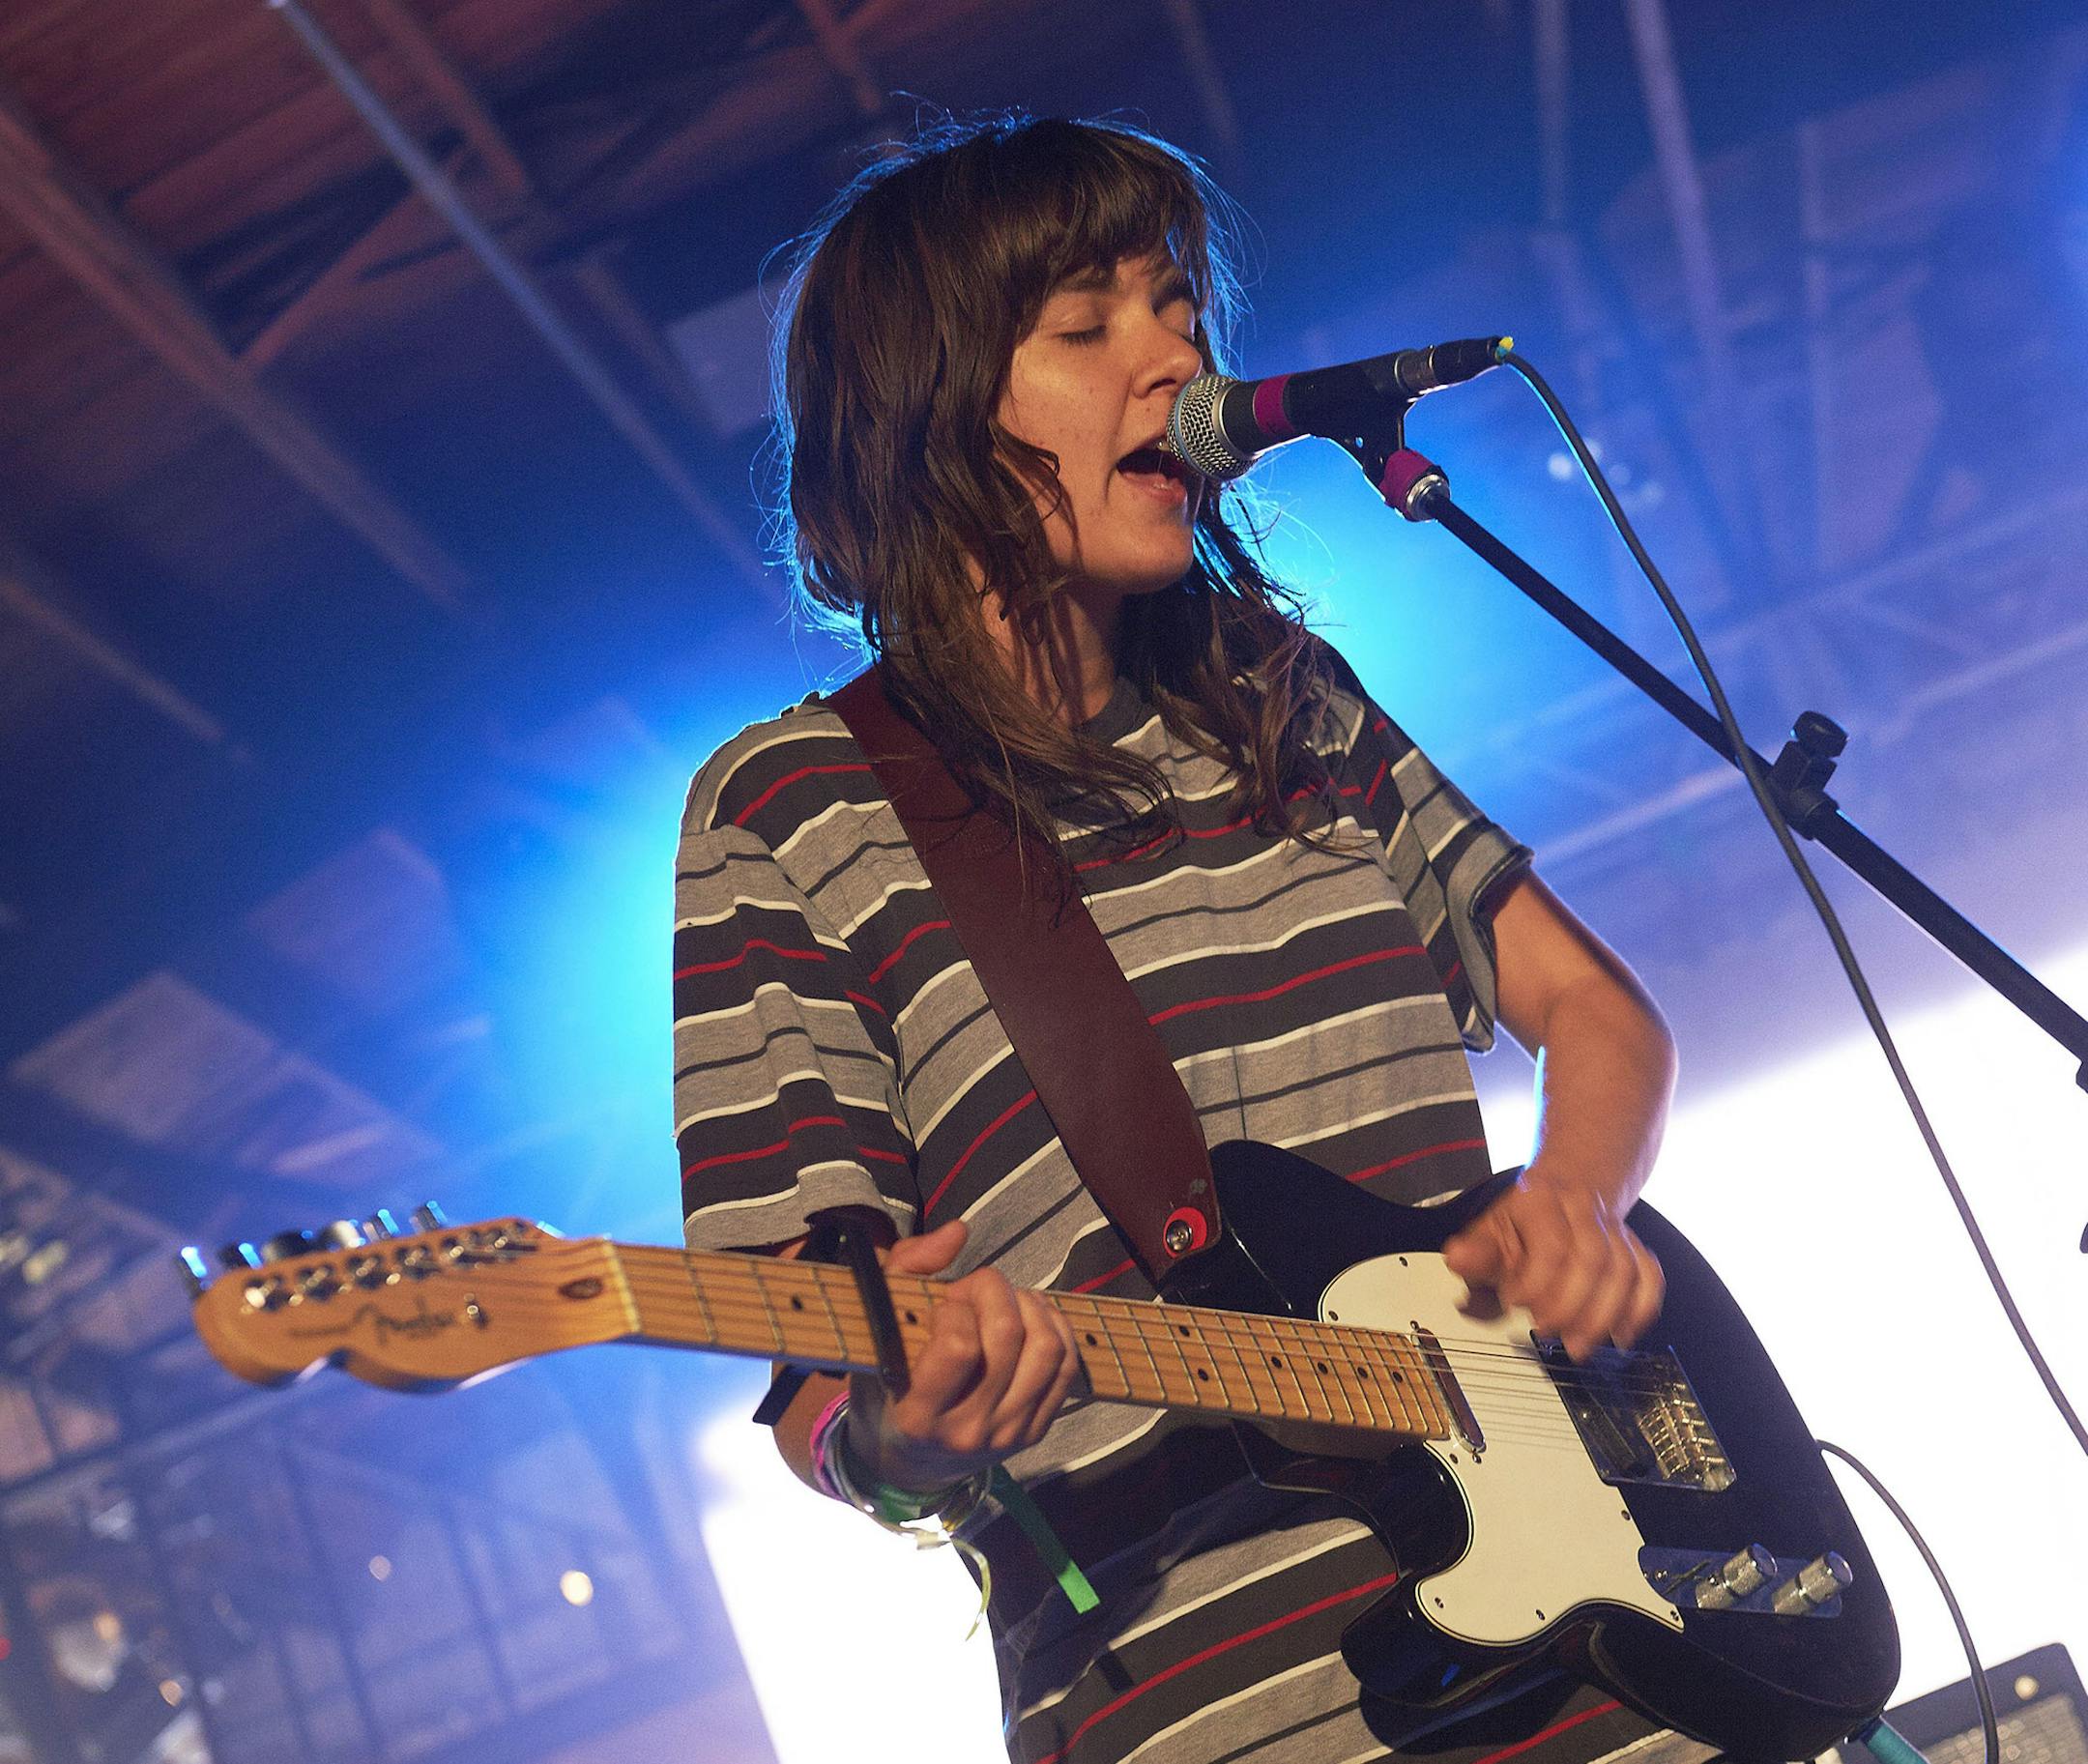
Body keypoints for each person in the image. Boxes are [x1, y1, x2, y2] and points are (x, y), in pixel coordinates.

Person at [674, 113, 1702, 1764]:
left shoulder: (1280, 695)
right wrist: (905, 1428)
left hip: (1620, 1664)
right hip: (1236, 1711)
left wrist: (1574, 1201)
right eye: (1088, 328)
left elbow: (1592, 1005)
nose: (1173, 359)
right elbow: (808, 1356)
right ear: (928, 415)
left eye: (1177, 309)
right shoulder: (793, 811)